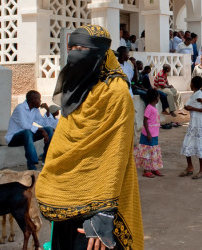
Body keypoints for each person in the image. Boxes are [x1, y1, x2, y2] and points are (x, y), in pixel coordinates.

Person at [36, 24, 143, 249]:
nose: (75, 53)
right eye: (72, 47)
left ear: (101, 54)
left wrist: (103, 214)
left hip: (100, 203)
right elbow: (63, 143)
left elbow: (116, 153)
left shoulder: (116, 92)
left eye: (82, 48)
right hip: (67, 198)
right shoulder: (75, 89)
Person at [5, 90, 55, 170]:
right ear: (32, 100)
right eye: (39, 99)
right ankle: (32, 164)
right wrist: (41, 131)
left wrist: (48, 112)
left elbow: (44, 123)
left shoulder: (35, 110)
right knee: (27, 132)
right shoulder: (20, 108)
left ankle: (46, 159)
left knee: (49, 129)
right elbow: (24, 125)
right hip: (13, 139)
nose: (40, 101)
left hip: (28, 136)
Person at [179, 76, 202, 179]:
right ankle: (190, 167)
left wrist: (192, 108)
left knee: (199, 145)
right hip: (194, 123)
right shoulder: (195, 94)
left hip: (200, 123)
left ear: (193, 84)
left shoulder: (199, 95)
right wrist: (189, 108)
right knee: (188, 144)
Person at [134, 89, 164, 178]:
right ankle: (146, 170)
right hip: (148, 135)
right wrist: (148, 133)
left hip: (154, 134)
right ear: (156, 99)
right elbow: (145, 120)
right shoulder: (149, 108)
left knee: (153, 151)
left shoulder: (153, 108)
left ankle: (154, 168)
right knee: (147, 151)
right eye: (158, 96)